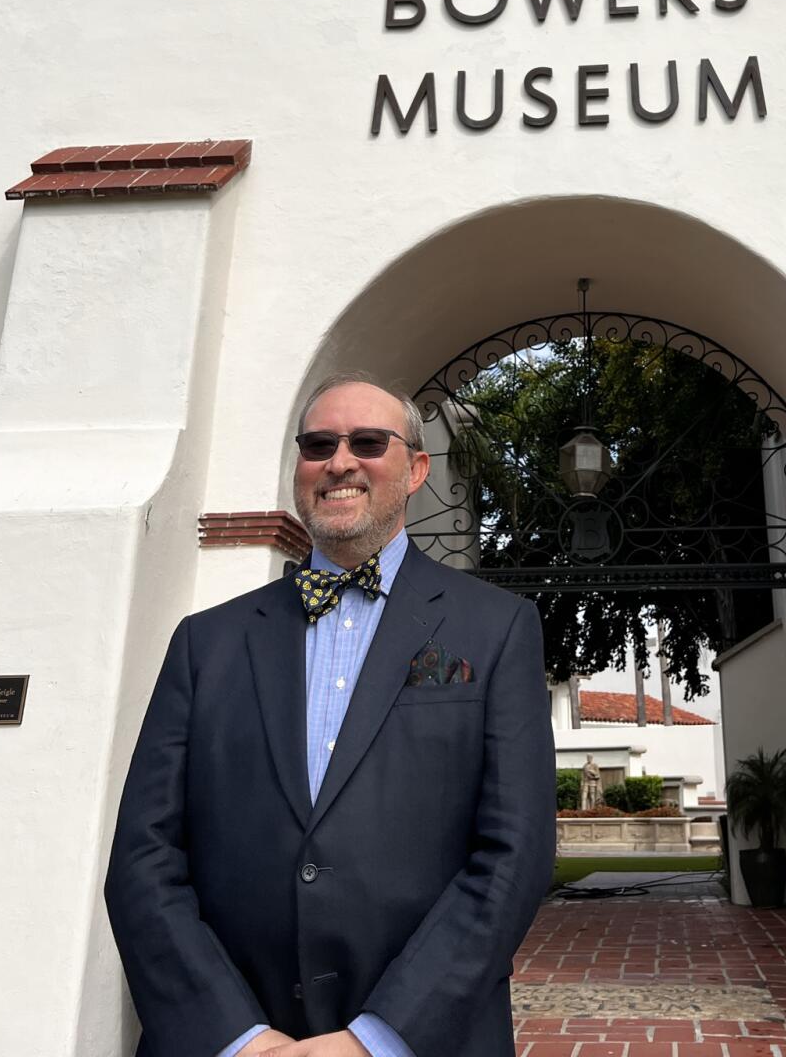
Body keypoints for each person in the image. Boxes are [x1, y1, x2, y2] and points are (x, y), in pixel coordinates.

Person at [106, 373, 555, 1057]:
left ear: (416, 470)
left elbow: (513, 857)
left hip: (422, 1037)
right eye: (318, 444)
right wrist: (236, 1038)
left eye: (368, 442)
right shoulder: (206, 643)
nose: (339, 461)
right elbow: (143, 856)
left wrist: (376, 1038)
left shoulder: (497, 629)